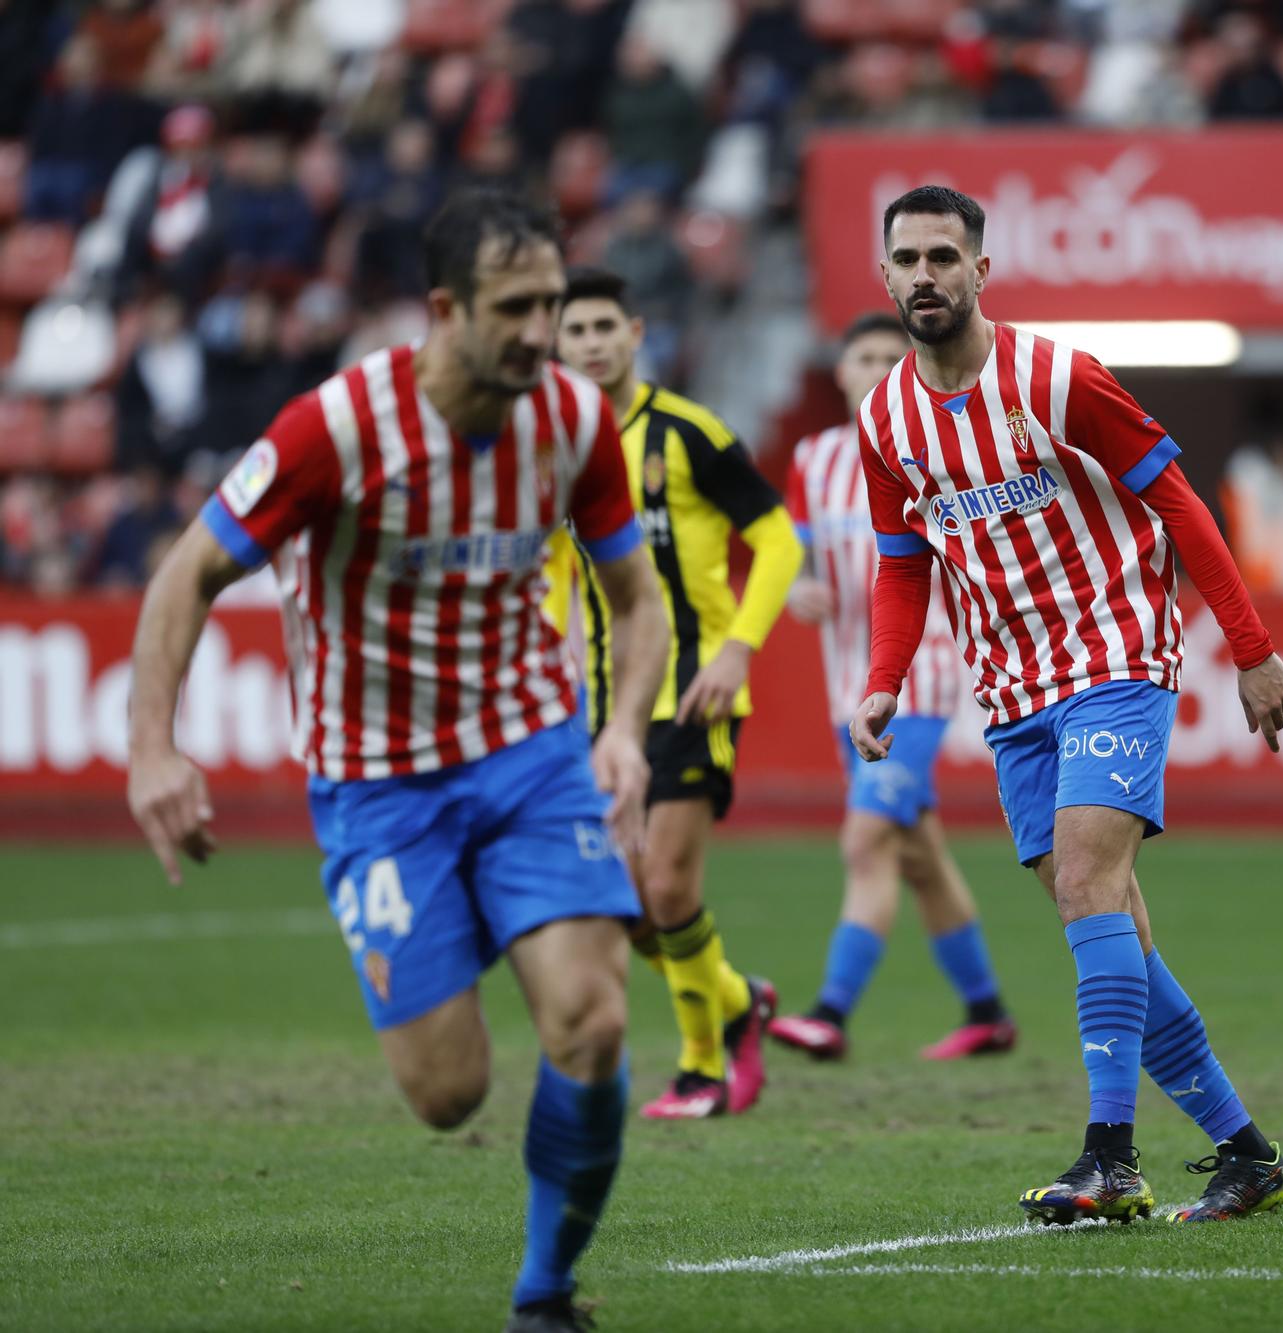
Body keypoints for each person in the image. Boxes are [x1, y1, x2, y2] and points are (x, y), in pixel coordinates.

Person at [125, 189, 671, 1333]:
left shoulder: (571, 423)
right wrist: (152, 751)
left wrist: (621, 727)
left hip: (531, 755)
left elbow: (635, 594)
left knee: (594, 1017)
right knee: (446, 1092)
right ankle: (457, 921)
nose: (539, 329)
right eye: (513, 307)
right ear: (442, 309)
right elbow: (187, 576)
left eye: (552, 301)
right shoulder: (332, 429)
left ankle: (544, 1295)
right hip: (379, 785)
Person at [851, 185, 1283, 1225]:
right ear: (885, 276)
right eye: (907, 259)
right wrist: (883, 677)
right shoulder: (886, 420)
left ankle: (1109, 1159)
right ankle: (1247, 1153)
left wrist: (1250, 649)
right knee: (1105, 924)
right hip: (1009, 691)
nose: (925, 275)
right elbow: (901, 564)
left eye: (943, 257)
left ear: (979, 271)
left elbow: (1175, 499)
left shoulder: (1058, 377)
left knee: (1091, 880)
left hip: (1111, 654)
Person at [542, 266, 802, 1121]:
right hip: (604, 712)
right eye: (573, 331)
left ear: (635, 332)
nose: (589, 344)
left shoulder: (689, 435)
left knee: (665, 890)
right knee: (621, 904)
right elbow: (552, 574)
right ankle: (737, 999)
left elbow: (777, 543)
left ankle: (701, 1065)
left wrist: (736, 653)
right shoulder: (554, 453)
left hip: (693, 695)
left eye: (602, 327)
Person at [767, 311, 1014, 1062]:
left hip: (924, 677)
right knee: (918, 854)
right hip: (852, 686)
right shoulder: (814, 458)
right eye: (861, 357)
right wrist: (796, 589)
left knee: (865, 838)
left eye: (888, 356)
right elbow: (798, 556)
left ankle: (830, 1014)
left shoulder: (928, 446)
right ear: (839, 372)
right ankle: (987, 1012)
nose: (874, 367)